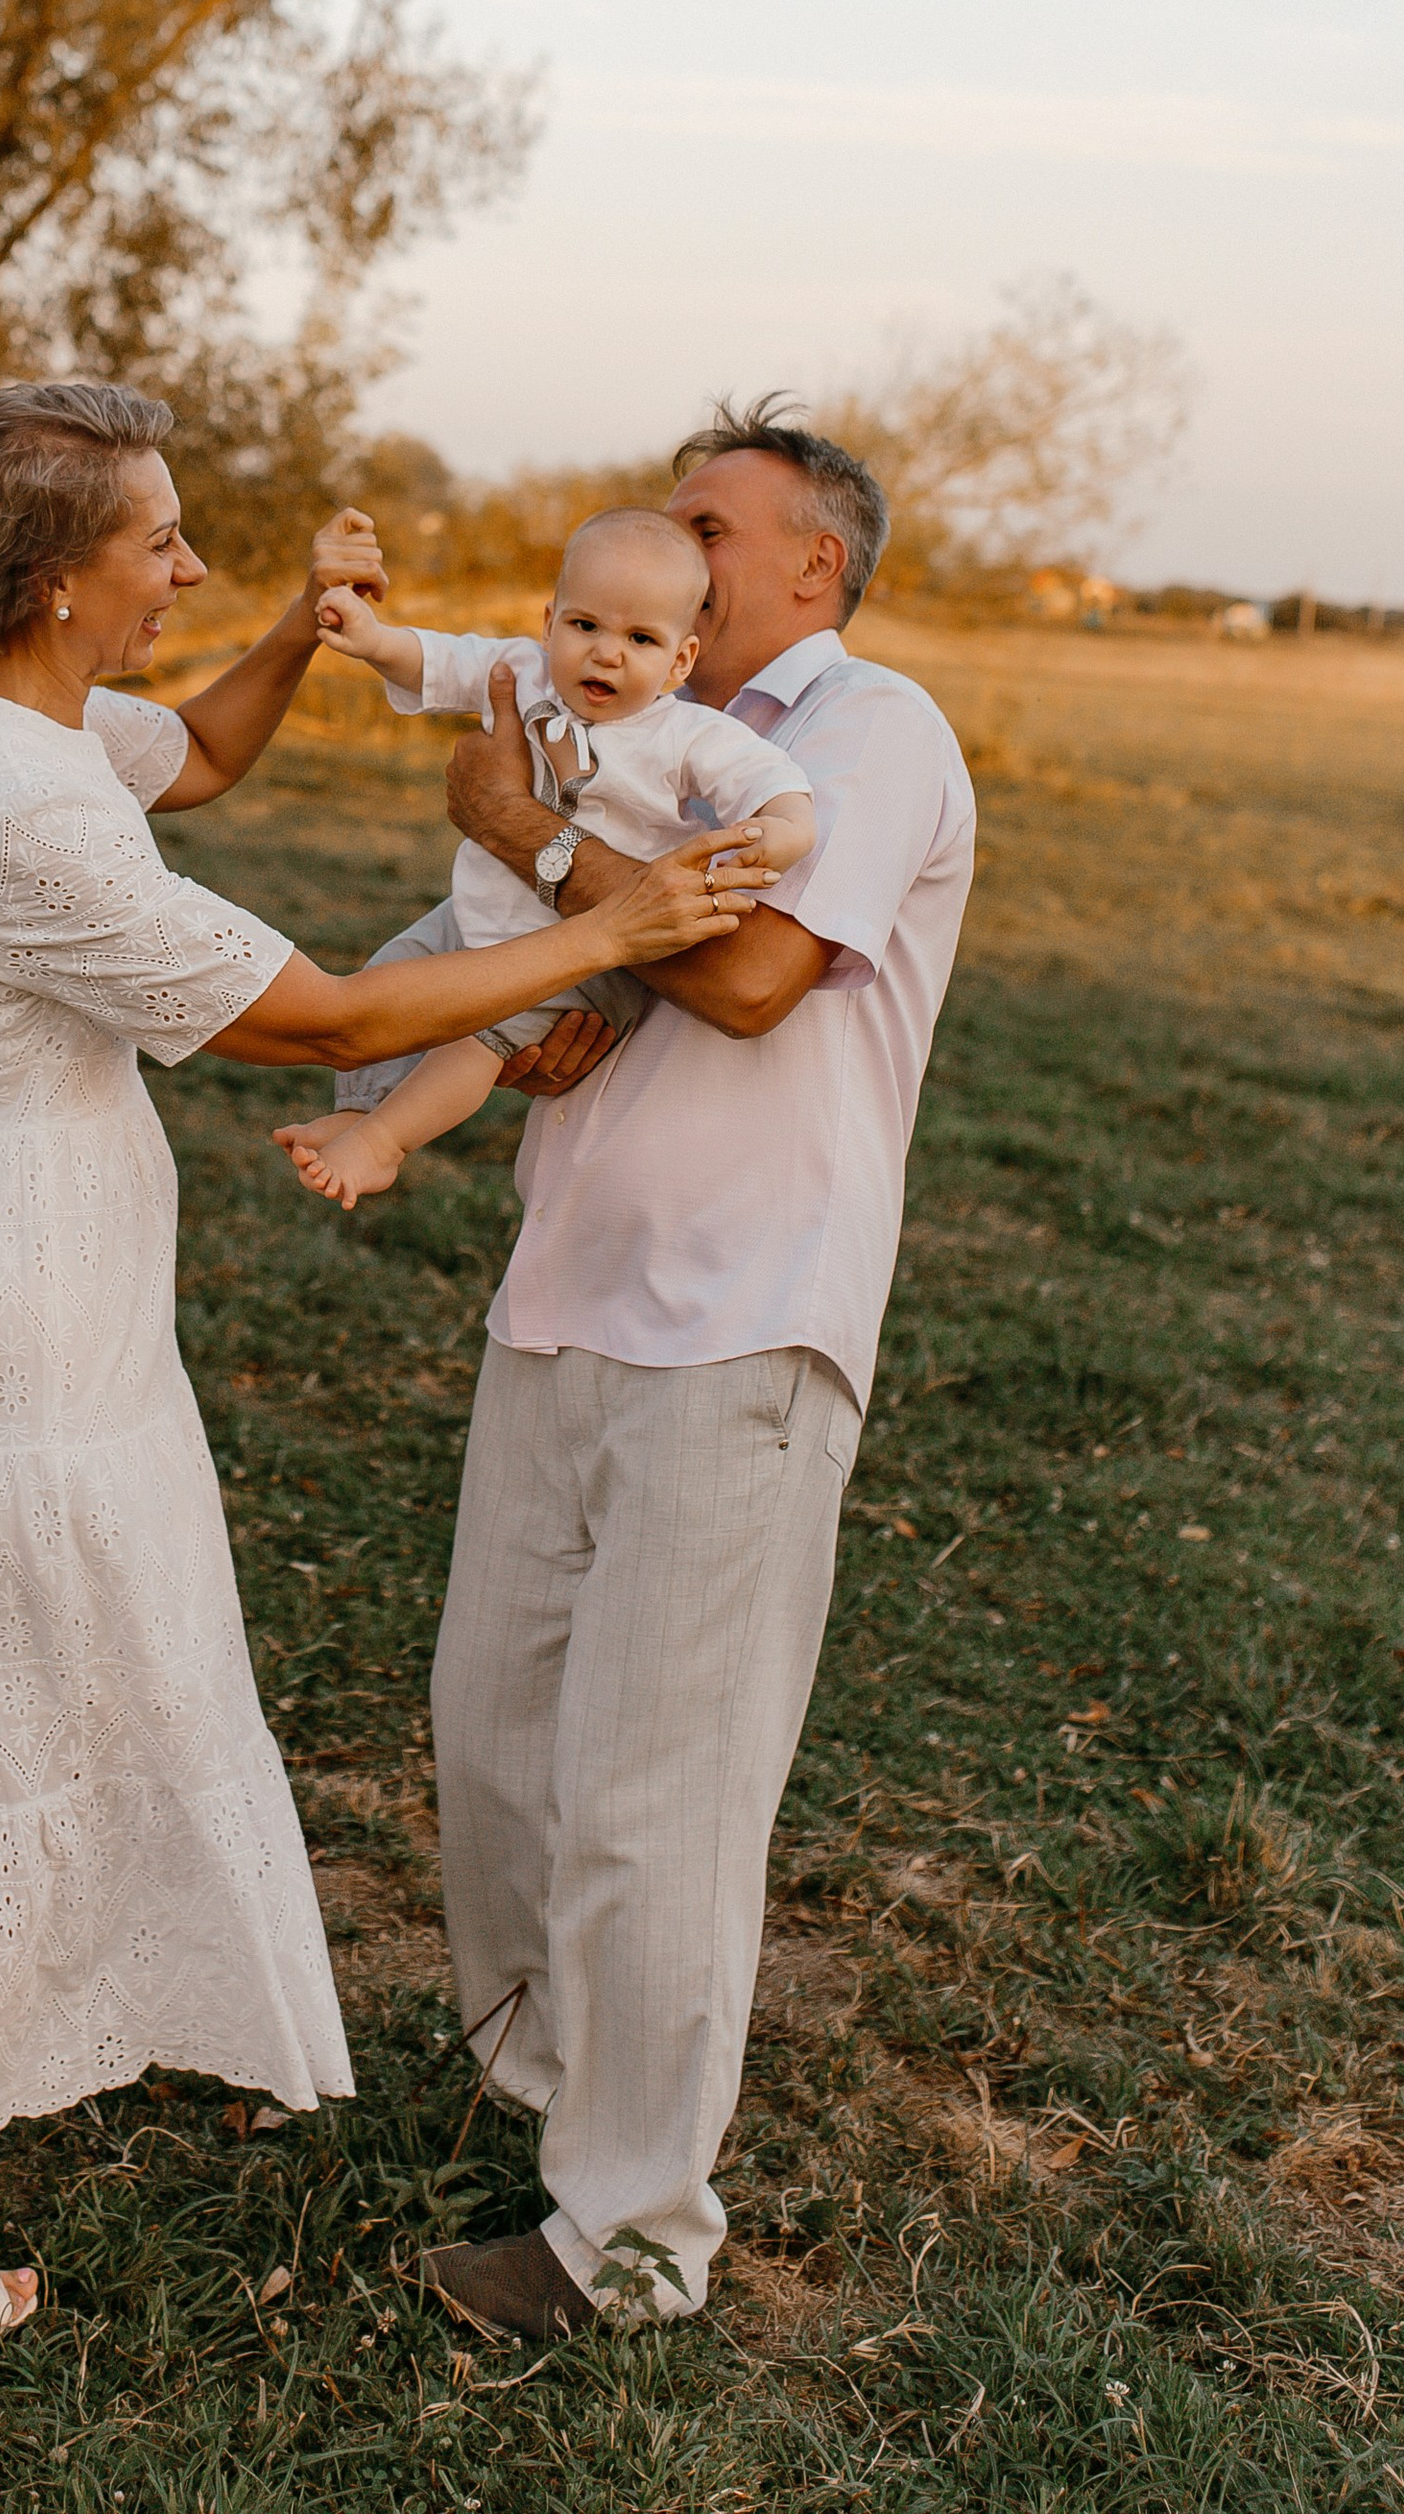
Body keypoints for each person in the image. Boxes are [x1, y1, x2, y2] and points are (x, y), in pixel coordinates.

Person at [0, 381, 740, 2355]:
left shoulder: (3, 701)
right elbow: (321, 1010)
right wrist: (616, 922)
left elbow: (208, 755)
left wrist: (297, 628)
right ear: (68, 580)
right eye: (163, 545)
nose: (190, 565)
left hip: (18, 1285)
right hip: (1, 1325)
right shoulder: (17, 811)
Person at [391, 397, 977, 2345]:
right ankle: (546, 2096)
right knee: (488, 1727)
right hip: (567, 1289)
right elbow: (588, 959)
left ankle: (625, 2244)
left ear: (813, 566)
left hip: (746, 1317)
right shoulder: (623, 736)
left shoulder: (862, 731)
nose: (671, 550)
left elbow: (739, 981)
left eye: (712, 528)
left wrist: (530, 842)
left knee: (656, 1786)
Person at [271, 506, 814, 1207]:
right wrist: (374, 638)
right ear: (551, 619)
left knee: (482, 1039)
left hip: (585, 954)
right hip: (479, 910)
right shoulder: (525, 673)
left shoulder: (685, 734)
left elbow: (776, 787)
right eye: (585, 626)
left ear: (680, 660)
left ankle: (385, 1143)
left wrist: (776, 833)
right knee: (391, 974)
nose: (606, 653)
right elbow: (438, 660)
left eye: (640, 638)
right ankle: (361, 1105)